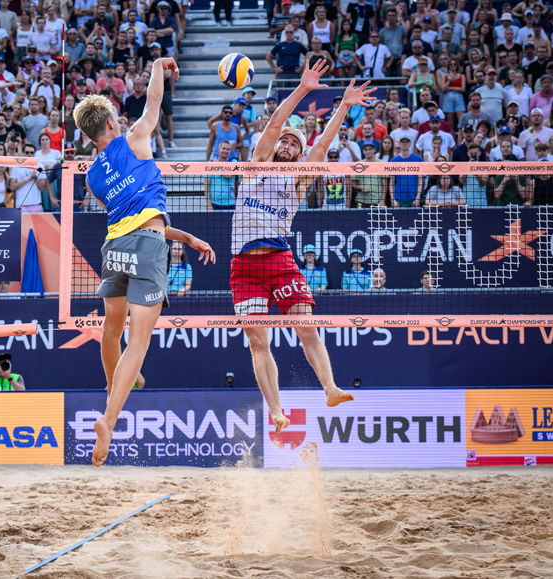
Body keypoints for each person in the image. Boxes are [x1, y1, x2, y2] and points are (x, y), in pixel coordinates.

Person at [72, 57, 216, 467]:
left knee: (111, 331)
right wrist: (157, 65)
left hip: (113, 247)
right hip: (149, 246)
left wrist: (185, 235)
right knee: (140, 340)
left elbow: (130, 217)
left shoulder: (92, 177)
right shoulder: (135, 138)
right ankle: (110, 419)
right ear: (113, 125)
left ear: (88, 135)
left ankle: (112, 385)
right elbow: (154, 99)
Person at [230, 60, 361, 434]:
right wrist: (303, 89)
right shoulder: (257, 162)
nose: (286, 144)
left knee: (306, 327)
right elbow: (273, 124)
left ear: (298, 154)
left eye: (293, 143)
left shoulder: (300, 177)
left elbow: (321, 145)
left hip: (280, 261)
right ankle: (276, 411)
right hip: (244, 266)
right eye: (284, 141)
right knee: (258, 343)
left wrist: (344, 106)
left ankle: (331, 388)